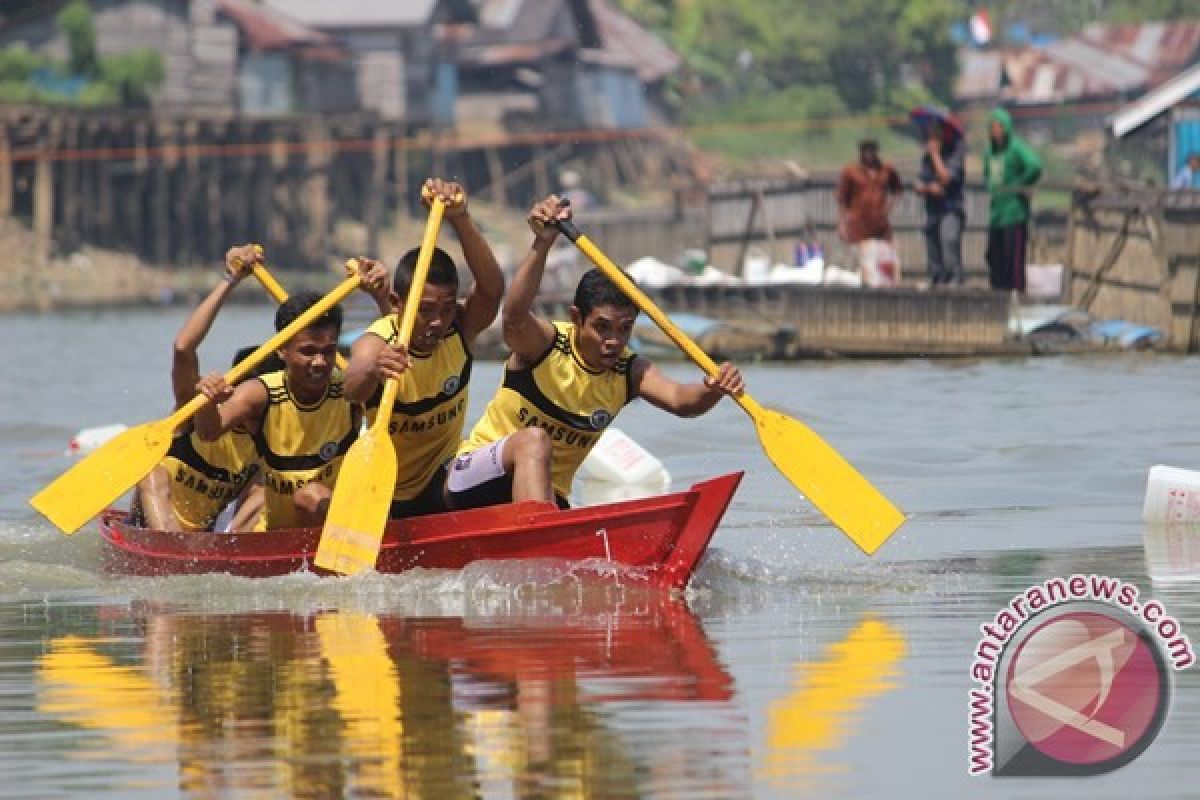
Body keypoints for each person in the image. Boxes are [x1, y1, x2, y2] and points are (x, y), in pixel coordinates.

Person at [447, 196, 745, 510]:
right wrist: (542, 243)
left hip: (545, 497)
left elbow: (681, 401)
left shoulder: (629, 372)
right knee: (534, 440)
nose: (614, 341)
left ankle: (547, 536)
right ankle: (544, 542)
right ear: (577, 319)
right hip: (473, 481)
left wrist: (715, 388)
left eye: (624, 328)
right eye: (602, 327)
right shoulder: (546, 344)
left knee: (555, 493)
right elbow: (513, 318)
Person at [344, 178, 504, 518]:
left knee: (521, 448)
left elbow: (492, 290)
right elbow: (352, 388)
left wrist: (460, 217)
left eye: (446, 308)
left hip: (443, 482)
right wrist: (374, 370)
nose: (437, 321)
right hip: (386, 494)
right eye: (425, 309)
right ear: (396, 303)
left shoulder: (459, 328)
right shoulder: (377, 344)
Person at [191, 261, 390, 530]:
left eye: (329, 351)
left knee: (329, 495)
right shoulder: (259, 393)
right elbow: (208, 432)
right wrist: (207, 402)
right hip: (278, 528)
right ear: (281, 350)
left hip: (335, 518)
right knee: (309, 494)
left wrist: (381, 296)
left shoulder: (349, 390)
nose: (320, 362)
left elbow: (404, 343)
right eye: (308, 351)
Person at [133, 244, 264, 532]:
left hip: (208, 538)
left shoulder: (272, 437)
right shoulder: (193, 409)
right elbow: (183, 348)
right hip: (155, 528)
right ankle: (169, 555)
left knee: (269, 489)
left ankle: (239, 555)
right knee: (152, 474)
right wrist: (230, 279)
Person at [984, 108, 1042, 292]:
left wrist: (1020, 184)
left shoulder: (1015, 148)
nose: (996, 130)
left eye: (1000, 126)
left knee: (1013, 259)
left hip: (1014, 213)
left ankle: (1015, 296)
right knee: (994, 257)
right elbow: (988, 176)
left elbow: (1035, 165)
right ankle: (997, 293)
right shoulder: (990, 153)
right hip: (997, 215)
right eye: (993, 127)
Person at [836, 140, 902, 285]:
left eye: (872, 151)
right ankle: (862, 286)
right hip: (859, 222)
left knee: (884, 256)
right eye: (866, 151)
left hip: (880, 223)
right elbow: (842, 199)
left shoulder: (886, 169)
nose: (869, 155)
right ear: (860, 152)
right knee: (861, 258)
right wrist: (841, 223)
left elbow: (897, 190)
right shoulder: (850, 171)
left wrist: (888, 208)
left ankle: (884, 286)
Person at [914, 120, 967, 287]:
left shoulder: (954, 154)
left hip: (951, 208)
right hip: (933, 209)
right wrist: (929, 189)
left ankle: (955, 277)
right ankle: (936, 277)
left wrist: (936, 155)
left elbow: (946, 178)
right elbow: (919, 184)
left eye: (935, 138)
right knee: (932, 242)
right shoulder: (926, 159)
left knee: (948, 239)